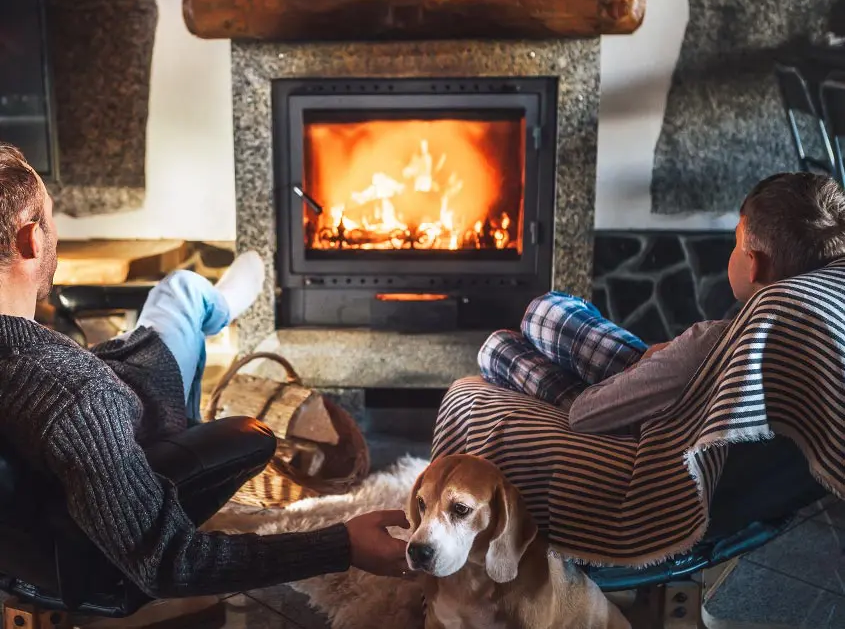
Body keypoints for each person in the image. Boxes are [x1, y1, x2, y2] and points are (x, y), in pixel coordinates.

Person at [0, 143, 412, 598]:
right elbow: (172, 563)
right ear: (31, 240)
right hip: (143, 412)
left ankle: (213, 307)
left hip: (103, 384)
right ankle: (215, 308)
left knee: (173, 301)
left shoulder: (56, 382)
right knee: (180, 295)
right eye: (52, 217)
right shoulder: (76, 400)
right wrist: (344, 543)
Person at [479, 171, 845, 436]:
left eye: (735, 242)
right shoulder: (816, 327)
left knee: (500, 344)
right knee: (543, 312)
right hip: (674, 385)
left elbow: (584, 415)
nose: (730, 252)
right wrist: (660, 358)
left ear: (755, 265)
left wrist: (648, 369)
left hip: (639, 420)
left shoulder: (709, 345)